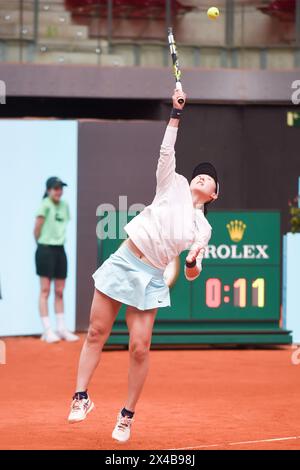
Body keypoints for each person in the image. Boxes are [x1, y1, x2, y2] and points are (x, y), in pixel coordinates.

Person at [68, 89, 219, 441]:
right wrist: (176, 113)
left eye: (208, 177)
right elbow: (167, 150)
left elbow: (193, 274)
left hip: (151, 276)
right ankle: (80, 396)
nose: (201, 176)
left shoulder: (204, 228)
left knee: (139, 348)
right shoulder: (174, 183)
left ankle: (126, 416)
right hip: (123, 259)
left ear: (215, 193)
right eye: (199, 173)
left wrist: (194, 262)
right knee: (95, 333)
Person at [34, 177, 79, 343]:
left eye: (60, 188)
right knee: (45, 290)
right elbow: (37, 229)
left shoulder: (65, 206)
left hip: (60, 250)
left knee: (60, 291)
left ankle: (61, 329)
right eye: (55, 188)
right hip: (45, 249)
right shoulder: (44, 205)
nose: (58, 191)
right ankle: (47, 330)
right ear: (48, 190)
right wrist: (42, 245)